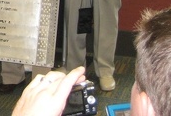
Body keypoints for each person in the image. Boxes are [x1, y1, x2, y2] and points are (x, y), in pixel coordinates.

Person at [13, 6, 171, 116]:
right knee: (82, 16)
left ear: (147, 109)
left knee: (106, 17)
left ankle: (104, 68)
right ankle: (75, 63)